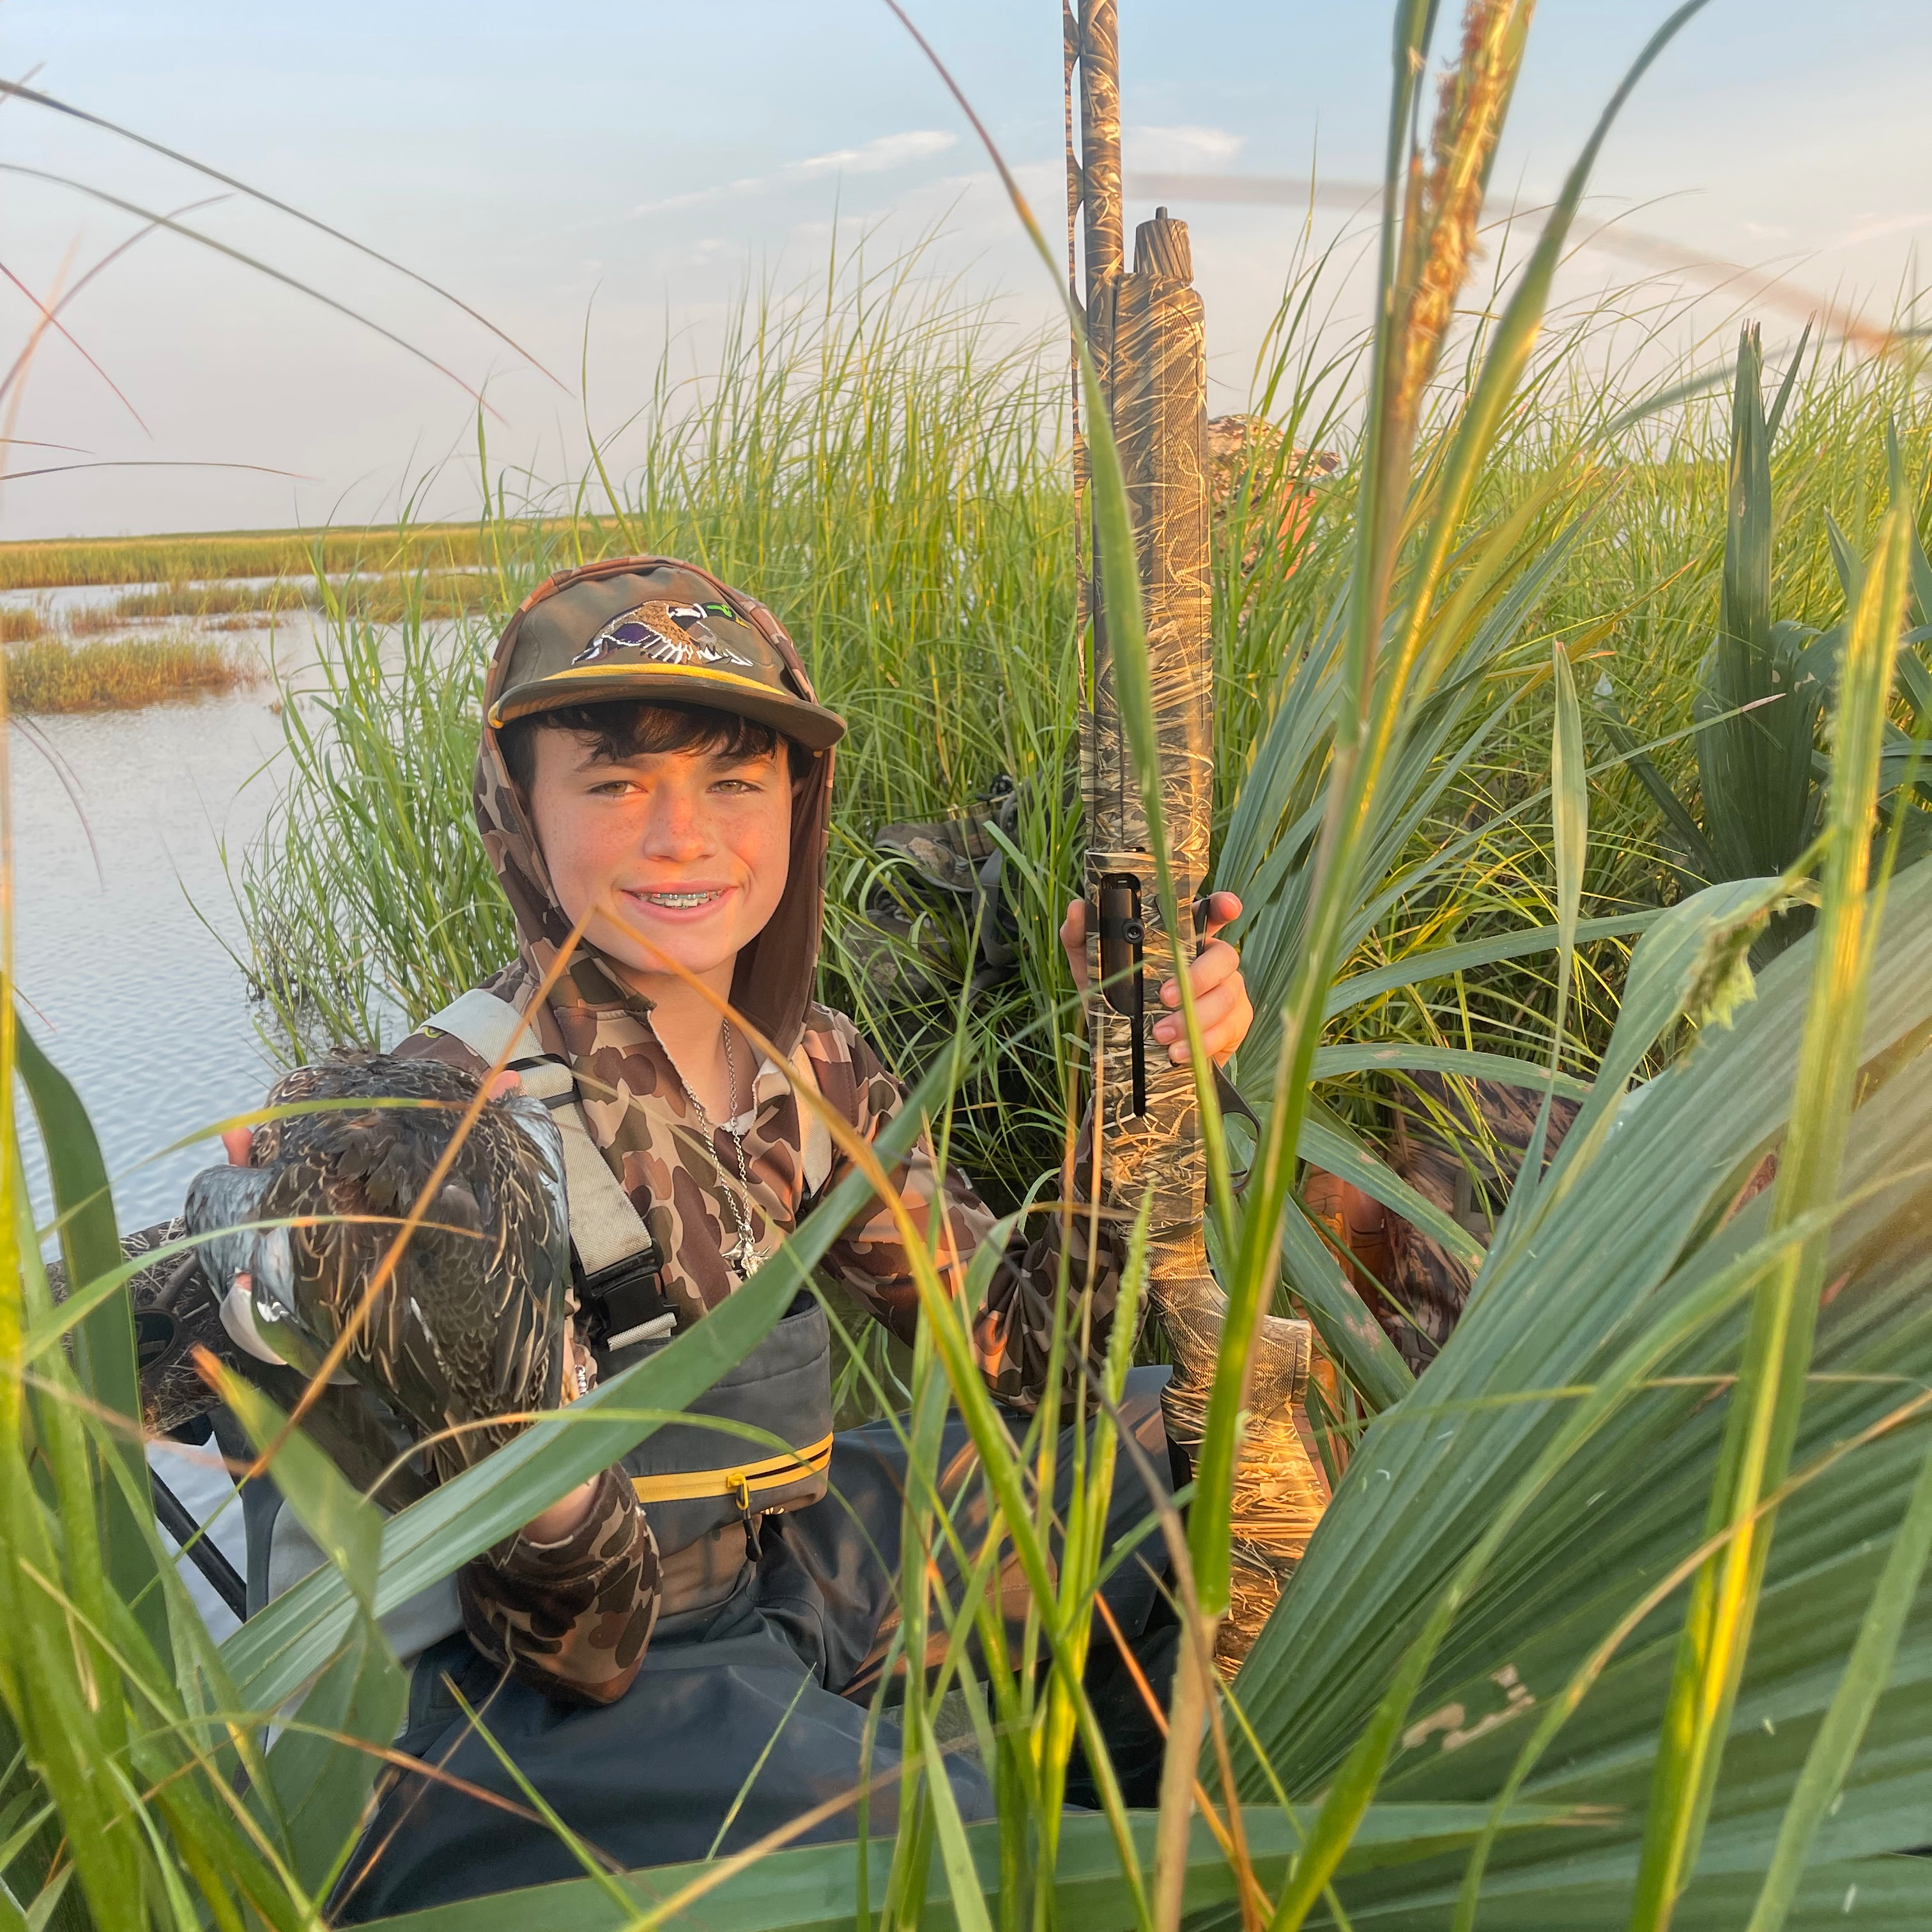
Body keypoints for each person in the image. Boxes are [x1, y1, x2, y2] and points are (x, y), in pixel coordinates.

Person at [221, 556, 1259, 1916]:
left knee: (1177, 1440)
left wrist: (1135, 1081)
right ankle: (1019, 1860)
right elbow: (577, 1643)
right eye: (612, 783)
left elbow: (1023, 1366)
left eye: (733, 780)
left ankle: (1123, 1822)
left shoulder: (805, 1066)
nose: (681, 835)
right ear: (518, 814)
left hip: (754, 1566)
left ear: (799, 805)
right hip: (499, 1703)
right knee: (943, 1839)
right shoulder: (453, 1134)